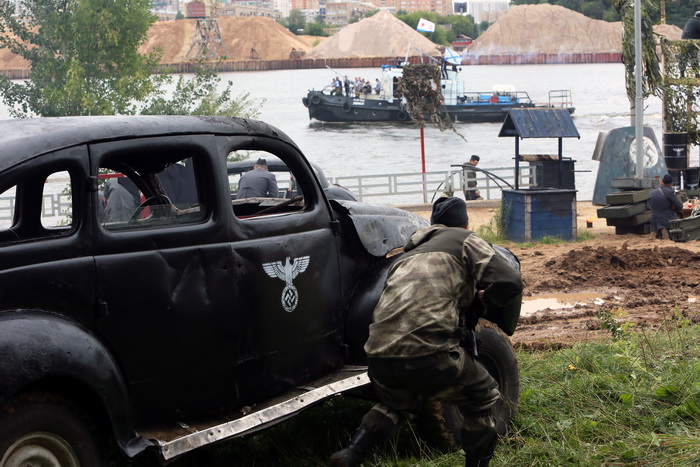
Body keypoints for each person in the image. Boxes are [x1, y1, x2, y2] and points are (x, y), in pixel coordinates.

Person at [330, 197, 524, 467]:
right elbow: (511, 282)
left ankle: (352, 453)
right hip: (429, 352)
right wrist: (483, 300)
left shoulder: (408, 255)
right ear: (465, 223)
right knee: (483, 397)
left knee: (398, 403)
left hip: (377, 355)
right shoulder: (465, 239)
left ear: (433, 224)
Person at [649, 173, 683, 239]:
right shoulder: (670, 192)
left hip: (654, 219)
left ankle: (655, 231)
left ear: (662, 182)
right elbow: (679, 206)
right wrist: (674, 208)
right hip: (667, 219)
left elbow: (650, 206)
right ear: (671, 184)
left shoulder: (652, 192)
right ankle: (664, 231)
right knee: (682, 226)